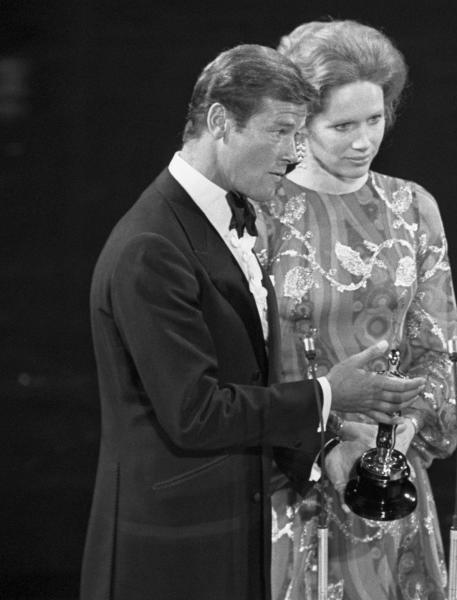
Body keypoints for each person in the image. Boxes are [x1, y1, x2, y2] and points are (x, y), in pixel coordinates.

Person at [81, 44, 424, 600]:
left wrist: (322, 449)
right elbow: (194, 412)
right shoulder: (152, 245)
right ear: (220, 122)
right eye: (282, 132)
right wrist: (328, 394)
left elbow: (247, 382)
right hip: (169, 547)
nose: (294, 153)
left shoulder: (223, 221)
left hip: (228, 530)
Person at [252, 20, 457, 600]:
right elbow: (253, 361)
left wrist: (400, 438)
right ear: (301, 122)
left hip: (390, 479)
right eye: (342, 125)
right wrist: (330, 440)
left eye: (375, 120)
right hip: (296, 482)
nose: (362, 141)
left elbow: (438, 345)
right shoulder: (265, 209)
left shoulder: (412, 206)